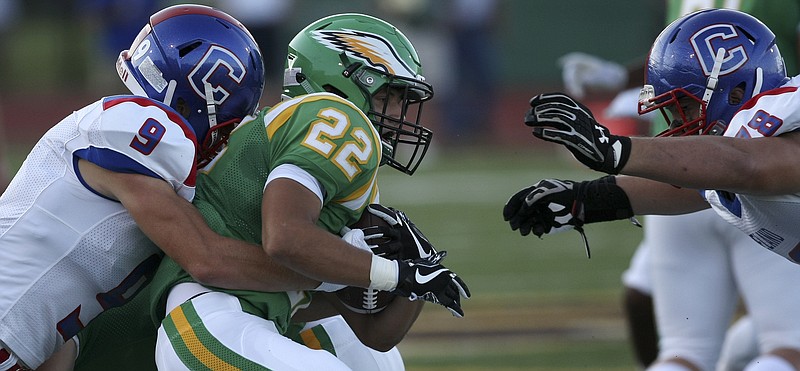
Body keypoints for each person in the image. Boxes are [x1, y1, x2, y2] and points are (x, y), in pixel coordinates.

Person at [65, 12, 469, 371]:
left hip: (254, 320)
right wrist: (392, 272)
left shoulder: (333, 164)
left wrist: (418, 278)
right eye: (386, 96)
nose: (397, 114)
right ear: (342, 81)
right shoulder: (336, 118)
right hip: (213, 317)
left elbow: (374, 333)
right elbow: (286, 238)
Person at [0, 4, 339, 370]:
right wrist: (333, 271)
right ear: (204, 95)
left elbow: (51, 326)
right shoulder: (144, 126)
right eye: (231, 124)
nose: (227, 136)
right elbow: (209, 260)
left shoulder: (117, 144)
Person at [505, 8, 800, 371]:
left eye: (686, 108)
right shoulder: (733, 155)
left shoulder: (779, 120)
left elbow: (747, 165)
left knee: (774, 352)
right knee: (742, 351)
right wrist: (587, 200)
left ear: (738, 91)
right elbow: (698, 186)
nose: (678, 125)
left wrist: (613, 149)